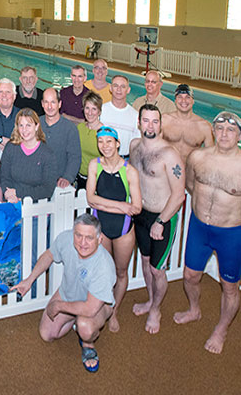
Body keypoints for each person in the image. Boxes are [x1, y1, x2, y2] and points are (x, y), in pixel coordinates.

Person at [11, 214, 116, 373]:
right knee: (47, 334)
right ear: (73, 232)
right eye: (78, 235)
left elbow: (90, 309)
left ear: (99, 239)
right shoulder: (65, 239)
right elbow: (49, 255)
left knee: (85, 327)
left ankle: (88, 344)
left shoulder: (104, 266)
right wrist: (29, 280)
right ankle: (74, 318)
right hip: (69, 295)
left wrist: (59, 306)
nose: (82, 242)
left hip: (97, 306)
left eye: (89, 237)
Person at [173, 112, 241, 354]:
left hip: (231, 233)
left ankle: (221, 330)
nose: (224, 133)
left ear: (239, 135)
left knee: (229, 286)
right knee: (190, 276)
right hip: (199, 227)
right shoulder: (197, 157)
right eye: (220, 128)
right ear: (213, 131)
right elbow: (190, 185)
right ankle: (194, 309)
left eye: (230, 130)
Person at [129, 104, 185, 334]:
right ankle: (151, 300)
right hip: (140, 215)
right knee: (144, 262)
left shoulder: (169, 155)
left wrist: (161, 222)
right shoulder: (134, 147)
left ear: (160, 124)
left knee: (157, 270)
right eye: (146, 120)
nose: (150, 126)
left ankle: (156, 310)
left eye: (155, 121)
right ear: (139, 122)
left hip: (162, 218)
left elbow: (179, 194)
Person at [86, 126, 142, 332]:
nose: (105, 146)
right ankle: (100, 306)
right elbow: (90, 199)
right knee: (103, 272)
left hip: (123, 229)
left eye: (109, 141)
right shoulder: (95, 165)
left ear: (118, 144)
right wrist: (120, 206)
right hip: (101, 226)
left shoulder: (129, 170)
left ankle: (114, 310)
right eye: (101, 142)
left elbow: (136, 207)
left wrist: (105, 205)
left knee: (120, 271)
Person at [0, 108, 58, 204]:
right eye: (21, 125)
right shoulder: (11, 147)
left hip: (37, 210)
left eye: (28, 125)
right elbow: (4, 177)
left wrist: (18, 193)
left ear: (36, 126)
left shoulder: (47, 154)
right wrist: (8, 193)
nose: (24, 130)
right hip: (13, 204)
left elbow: (47, 189)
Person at [161, 84, 213, 164]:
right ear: (175, 100)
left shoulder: (205, 127)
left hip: (190, 171)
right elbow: (154, 147)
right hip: (167, 170)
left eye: (187, 97)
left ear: (193, 101)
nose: (183, 101)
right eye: (180, 97)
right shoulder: (164, 120)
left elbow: (210, 157)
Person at [40, 88, 81, 189]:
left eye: (53, 102)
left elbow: (74, 157)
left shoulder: (70, 128)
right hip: (38, 181)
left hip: (59, 182)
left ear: (59, 104)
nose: (49, 106)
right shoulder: (35, 124)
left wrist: (67, 177)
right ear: (42, 104)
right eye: (46, 102)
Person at [100, 75, 140, 159]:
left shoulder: (135, 115)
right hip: (103, 158)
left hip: (126, 160)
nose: (119, 89)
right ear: (110, 88)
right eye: (115, 86)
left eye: (123, 86)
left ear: (128, 90)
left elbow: (137, 144)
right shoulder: (101, 111)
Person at [76, 91, 104, 190]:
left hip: (98, 181)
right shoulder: (80, 128)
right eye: (87, 108)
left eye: (94, 109)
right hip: (79, 178)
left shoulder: (104, 133)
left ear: (99, 112)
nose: (90, 113)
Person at [0, 78, 20, 150]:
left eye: (8, 92)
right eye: (1, 92)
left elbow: (27, 142)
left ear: (14, 96)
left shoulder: (22, 116)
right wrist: (2, 140)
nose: (4, 95)